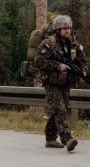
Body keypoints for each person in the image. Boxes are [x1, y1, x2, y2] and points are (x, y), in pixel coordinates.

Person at [34, 15, 86, 152]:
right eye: (64, 28)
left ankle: (50, 138)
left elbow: (82, 60)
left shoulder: (73, 44)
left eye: (69, 28)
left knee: (57, 111)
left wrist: (82, 71)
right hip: (51, 82)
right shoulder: (49, 43)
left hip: (65, 82)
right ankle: (67, 139)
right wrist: (57, 66)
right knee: (60, 110)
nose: (67, 31)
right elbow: (38, 60)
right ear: (58, 29)